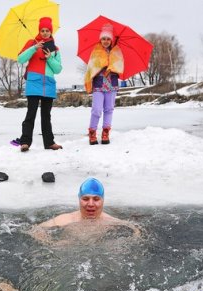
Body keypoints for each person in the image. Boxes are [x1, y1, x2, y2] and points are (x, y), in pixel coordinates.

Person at [31, 177, 141, 243]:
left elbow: (136, 230)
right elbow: (35, 231)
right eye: (85, 199)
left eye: (96, 199)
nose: (91, 204)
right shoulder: (66, 219)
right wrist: (54, 244)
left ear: (103, 200)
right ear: (79, 199)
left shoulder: (110, 221)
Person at [16, 16, 63, 152]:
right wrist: (34, 48)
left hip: (48, 85)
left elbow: (58, 69)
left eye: (47, 30)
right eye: (42, 30)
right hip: (34, 84)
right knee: (31, 114)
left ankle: (49, 143)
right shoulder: (32, 42)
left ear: (51, 31)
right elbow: (20, 59)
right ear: (39, 31)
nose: (44, 32)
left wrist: (50, 58)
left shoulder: (55, 48)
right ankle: (25, 142)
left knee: (46, 116)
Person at [84, 23, 124, 145]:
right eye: (103, 38)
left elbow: (120, 66)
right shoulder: (95, 52)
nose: (106, 41)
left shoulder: (116, 51)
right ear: (100, 39)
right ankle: (92, 132)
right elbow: (91, 68)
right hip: (98, 85)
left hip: (111, 84)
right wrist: (101, 67)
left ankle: (105, 132)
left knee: (109, 109)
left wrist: (112, 68)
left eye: (108, 39)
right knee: (96, 109)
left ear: (111, 40)